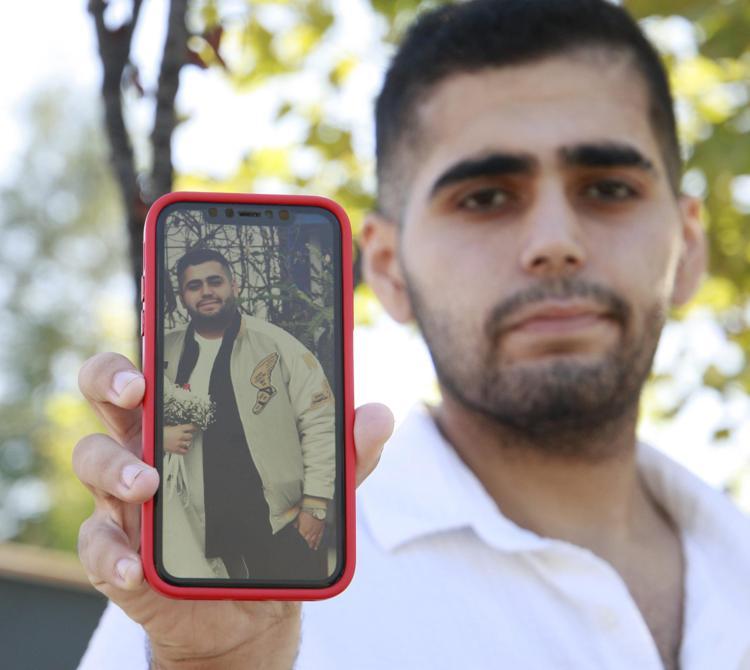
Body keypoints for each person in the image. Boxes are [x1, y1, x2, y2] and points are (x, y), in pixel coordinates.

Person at [76, 1, 750, 668]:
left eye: (608, 189)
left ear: (688, 246)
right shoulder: (206, 617)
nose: (555, 242)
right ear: (388, 268)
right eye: (485, 197)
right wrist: (220, 664)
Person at [161, 246, 336, 580]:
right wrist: (158, 436)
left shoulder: (276, 344)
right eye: (194, 286)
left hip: (279, 519)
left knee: (297, 607)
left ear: (234, 285)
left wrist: (315, 502)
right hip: (199, 525)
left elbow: (318, 419)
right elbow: (137, 419)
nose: (206, 291)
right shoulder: (165, 350)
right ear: (183, 297)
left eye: (215, 281)